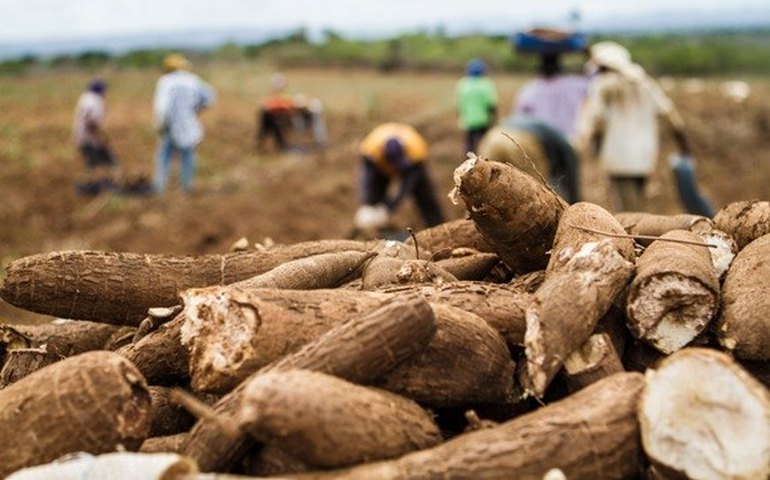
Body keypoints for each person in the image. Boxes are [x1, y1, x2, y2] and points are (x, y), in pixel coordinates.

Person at [576, 41, 692, 212]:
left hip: (618, 155)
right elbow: (669, 113)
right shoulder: (645, 83)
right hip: (644, 154)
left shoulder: (604, 85)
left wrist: (585, 145)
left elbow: (595, 119)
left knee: (626, 210)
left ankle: (633, 238)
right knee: (638, 202)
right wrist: (683, 145)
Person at [356, 123, 445, 231]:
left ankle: (437, 227)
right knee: (374, 195)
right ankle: (376, 231)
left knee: (425, 196)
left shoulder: (416, 150)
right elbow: (367, 180)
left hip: (411, 165)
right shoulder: (372, 150)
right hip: (380, 166)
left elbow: (407, 185)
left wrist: (390, 206)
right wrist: (367, 203)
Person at [152, 53, 215, 193]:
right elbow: (210, 97)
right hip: (188, 123)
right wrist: (196, 111)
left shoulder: (165, 81)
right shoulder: (192, 80)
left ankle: (160, 187)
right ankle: (187, 187)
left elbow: (162, 107)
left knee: (164, 156)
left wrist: (160, 124)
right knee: (188, 156)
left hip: (169, 125)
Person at [72, 79, 118, 195]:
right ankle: (95, 186)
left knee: (93, 163)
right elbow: (91, 123)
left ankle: (92, 185)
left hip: (81, 137)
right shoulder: (96, 102)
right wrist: (102, 137)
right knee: (106, 161)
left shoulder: (85, 99)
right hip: (90, 139)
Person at [455, 59, 498, 154]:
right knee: (485, 144)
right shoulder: (486, 84)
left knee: (469, 144)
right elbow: (491, 104)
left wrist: (460, 116)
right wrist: (494, 119)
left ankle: (469, 164)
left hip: (468, 120)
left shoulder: (462, 84)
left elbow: (459, 105)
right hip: (483, 120)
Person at [256, 73, 295, 152]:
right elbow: (266, 105)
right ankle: (280, 144)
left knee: (269, 118)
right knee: (268, 117)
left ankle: (263, 142)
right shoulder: (272, 97)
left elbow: (288, 107)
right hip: (275, 118)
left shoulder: (285, 97)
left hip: (282, 119)